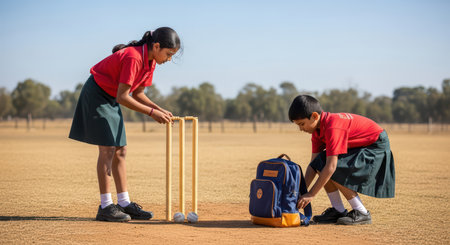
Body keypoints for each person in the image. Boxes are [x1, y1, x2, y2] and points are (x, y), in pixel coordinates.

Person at [69, 27, 181, 222]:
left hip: (111, 96)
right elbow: (123, 97)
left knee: (121, 151)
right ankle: (105, 207)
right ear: (156, 46)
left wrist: (159, 109)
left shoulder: (150, 62)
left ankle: (124, 203)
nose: (169, 59)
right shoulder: (134, 57)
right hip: (97, 94)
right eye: (168, 54)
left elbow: (138, 93)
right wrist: (152, 113)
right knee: (107, 150)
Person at [289, 95, 395, 225]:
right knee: (320, 163)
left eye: (302, 124)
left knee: (333, 167)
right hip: (360, 146)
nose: (301, 129)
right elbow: (313, 165)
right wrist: (300, 192)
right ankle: (338, 210)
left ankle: (361, 212)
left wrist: (311, 194)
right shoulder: (316, 131)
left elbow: (331, 167)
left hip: (375, 146)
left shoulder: (333, 126)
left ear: (315, 116)